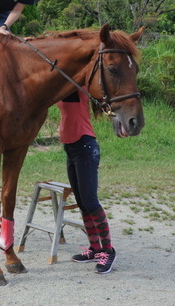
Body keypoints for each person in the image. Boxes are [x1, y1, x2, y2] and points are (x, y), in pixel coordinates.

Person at [56, 89, 117, 274]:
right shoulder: (61, 88)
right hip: (70, 149)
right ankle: (94, 249)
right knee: (83, 203)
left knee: (90, 202)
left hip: (85, 146)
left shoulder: (78, 89)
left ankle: (108, 250)